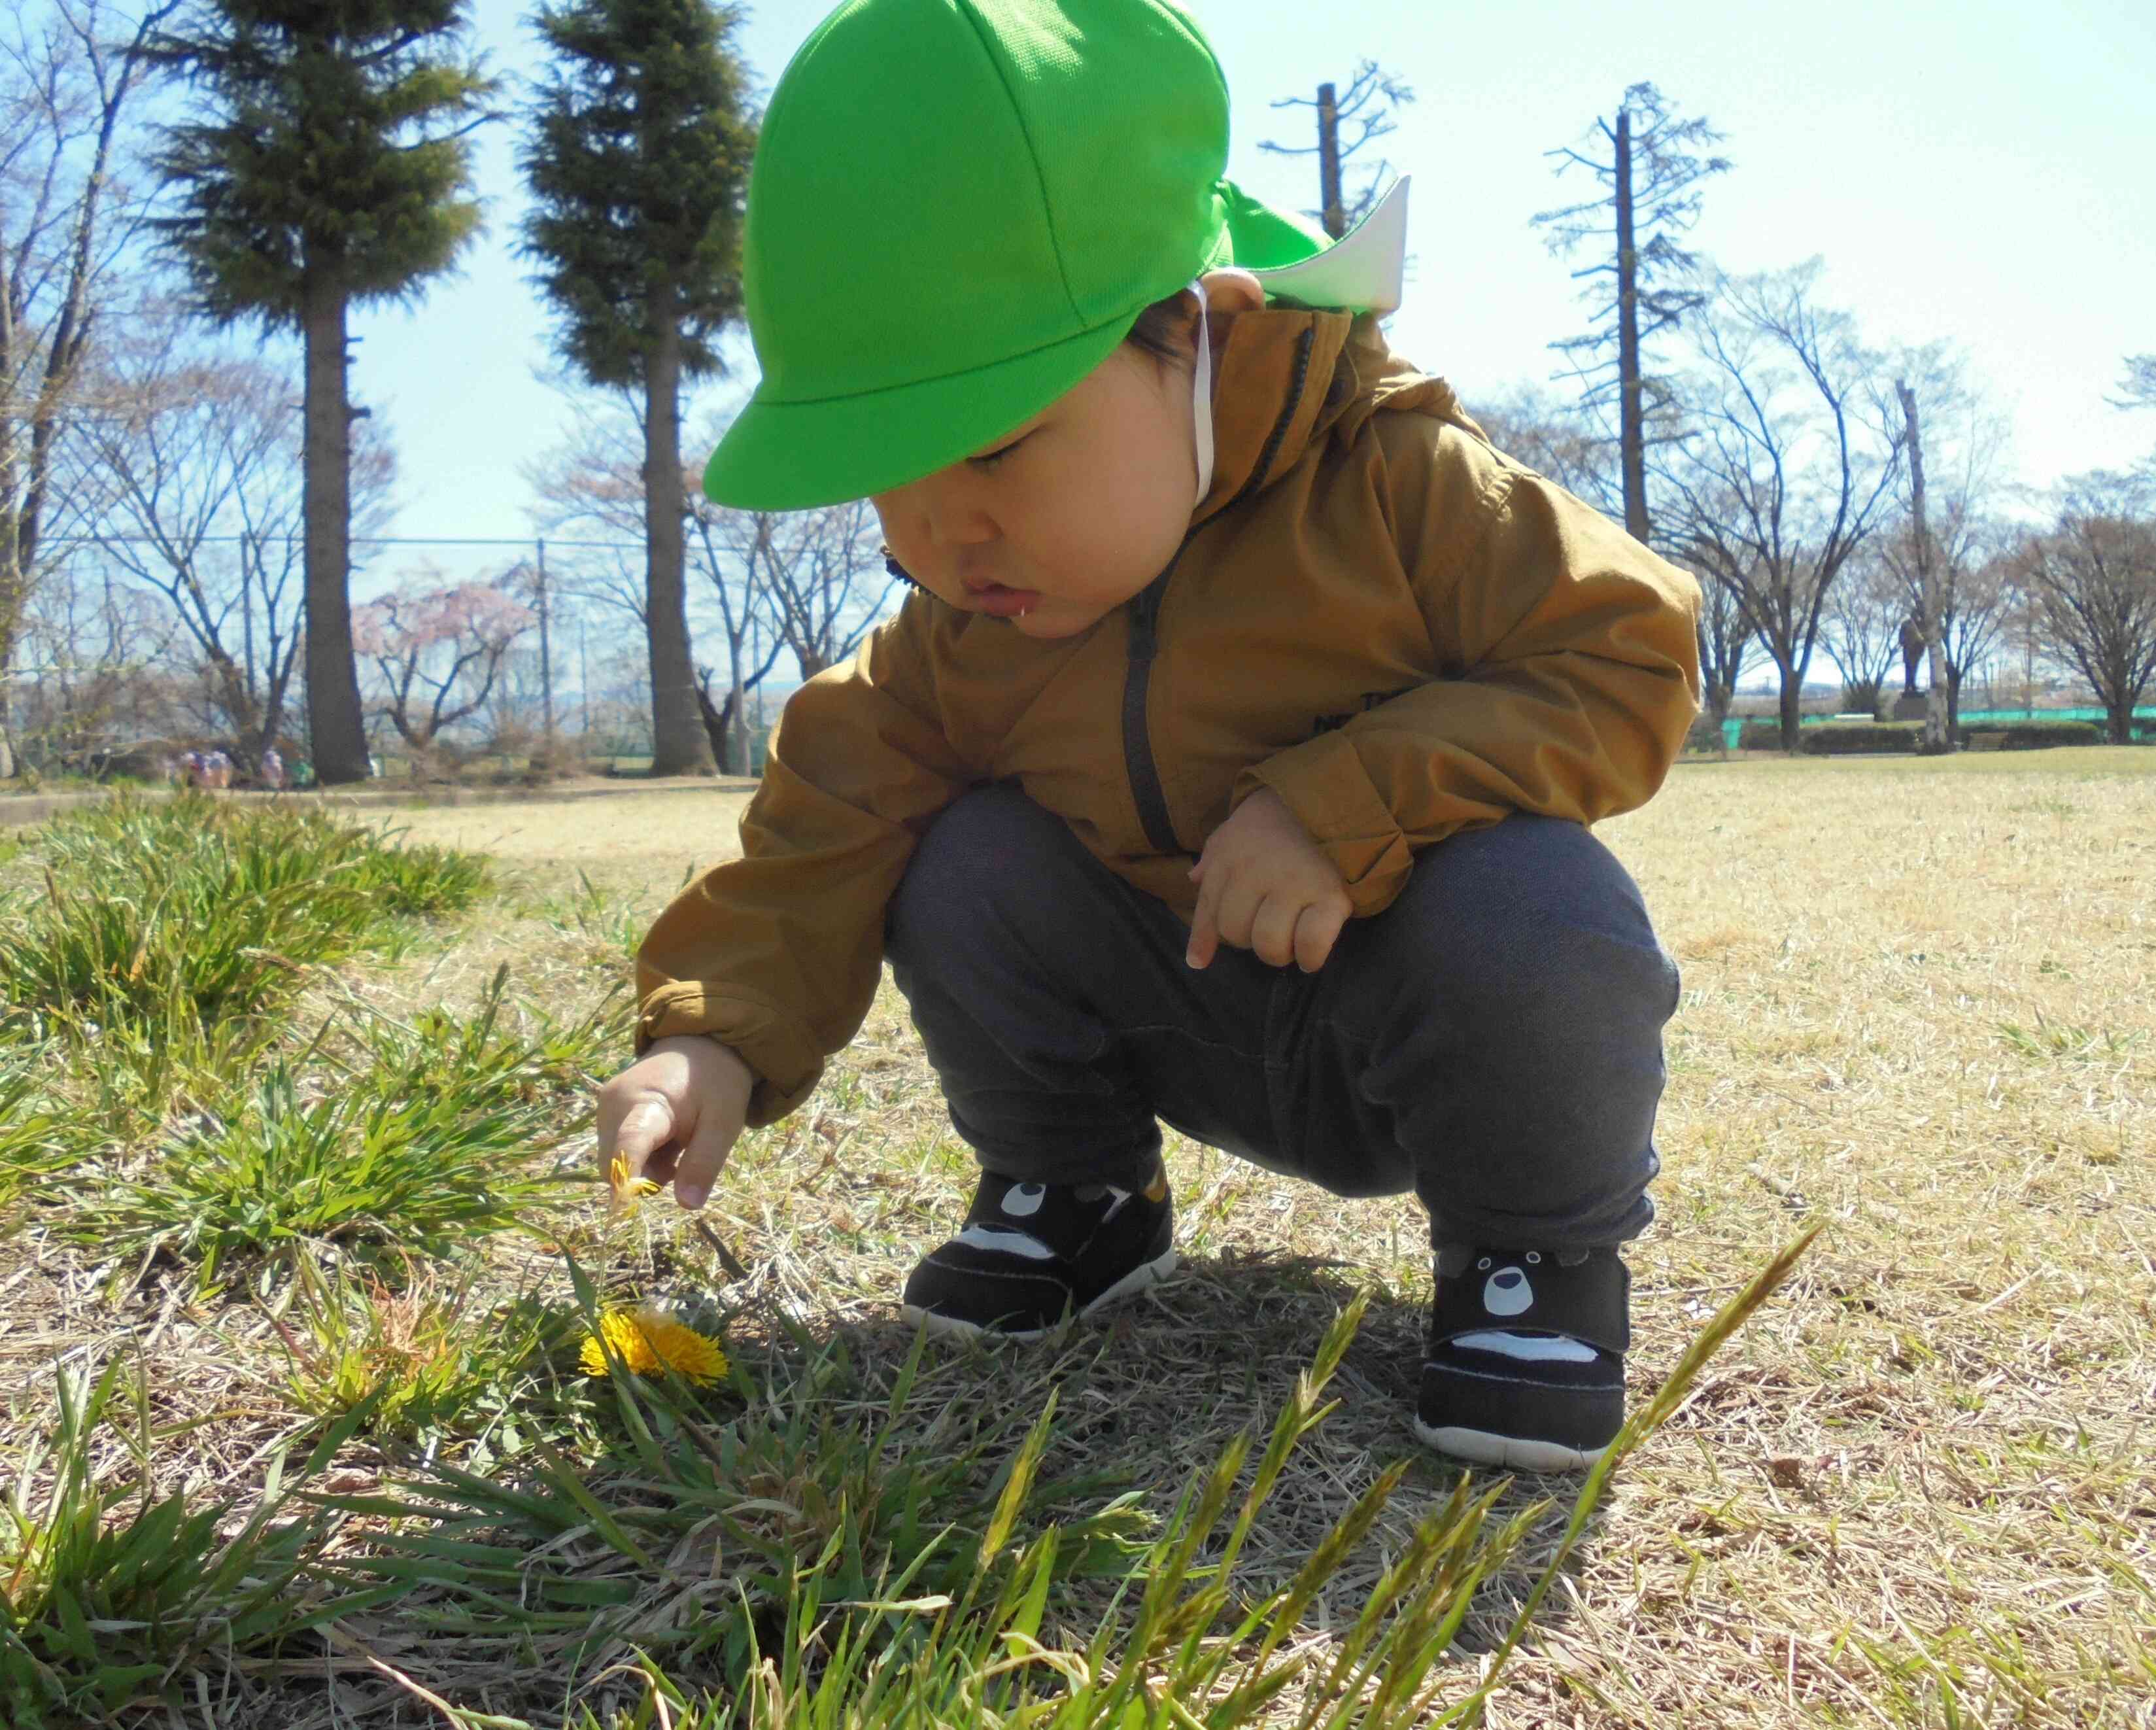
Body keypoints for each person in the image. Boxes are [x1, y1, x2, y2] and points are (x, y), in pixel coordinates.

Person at [595, 0, 1700, 1474]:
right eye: (891, 477)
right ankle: (1079, 1196)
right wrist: (712, 1040)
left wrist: (1349, 799)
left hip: (1407, 1017)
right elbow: (826, 819)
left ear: (1190, 333)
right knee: (956, 847)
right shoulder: (957, 632)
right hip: (1178, 1009)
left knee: (1537, 904)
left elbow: (1629, 649)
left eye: (994, 439)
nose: (945, 530)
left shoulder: (1398, 483)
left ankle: (1531, 1267)